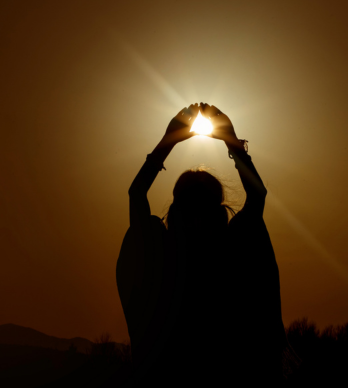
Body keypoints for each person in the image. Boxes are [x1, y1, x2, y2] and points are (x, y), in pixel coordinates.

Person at [116, 103, 289, 386]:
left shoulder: (160, 254)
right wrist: (232, 142)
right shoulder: (232, 251)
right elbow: (257, 195)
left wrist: (168, 141)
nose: (197, 221)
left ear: (175, 210)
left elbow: (137, 194)